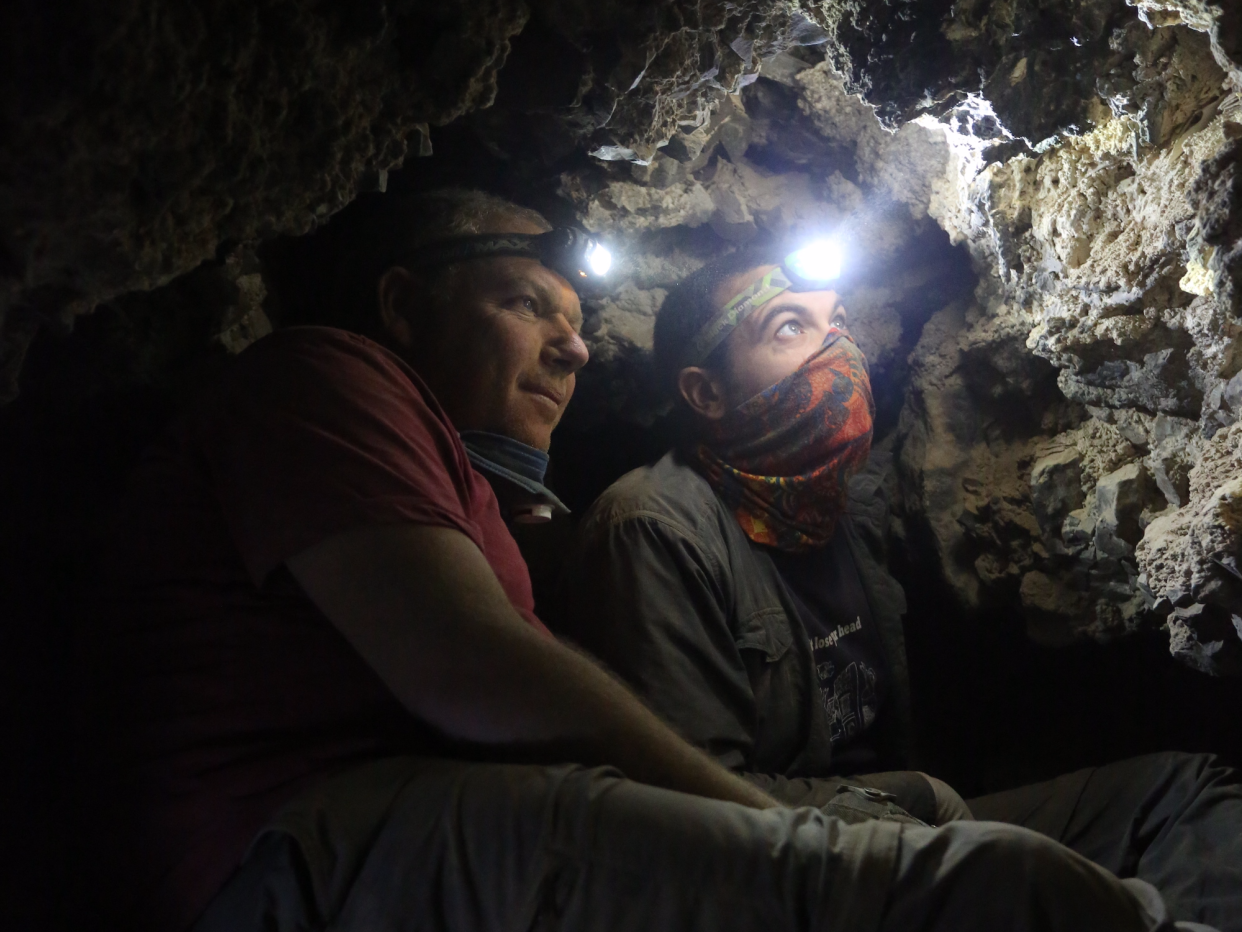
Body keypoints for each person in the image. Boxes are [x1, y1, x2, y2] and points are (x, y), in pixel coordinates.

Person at [83, 191, 1211, 932]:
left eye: (577, 323)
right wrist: (787, 836)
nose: (574, 344)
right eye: (530, 305)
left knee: (1168, 796)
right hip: (288, 844)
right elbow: (472, 671)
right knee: (994, 891)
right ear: (403, 305)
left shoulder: (843, 543)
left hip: (407, 822)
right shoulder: (330, 377)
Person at [554, 245, 1242, 931]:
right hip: (786, 871)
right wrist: (913, 796)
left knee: (1182, 792)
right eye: (791, 327)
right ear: (706, 392)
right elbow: (695, 810)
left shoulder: (838, 507)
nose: (836, 349)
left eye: (839, 322)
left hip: (899, 821)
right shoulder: (652, 529)